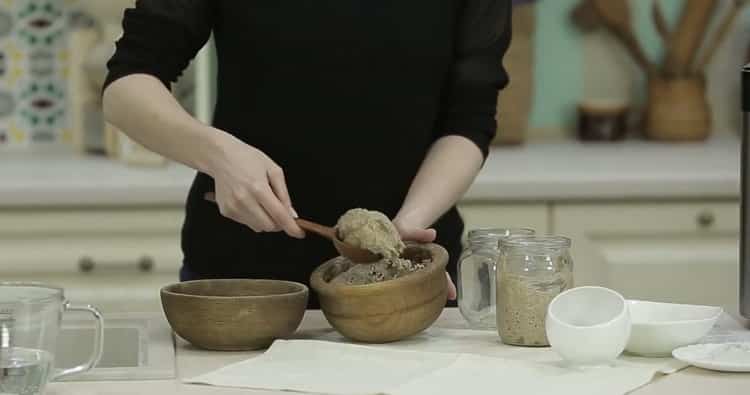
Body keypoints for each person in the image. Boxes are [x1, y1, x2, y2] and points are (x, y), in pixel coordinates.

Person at [102, 0, 512, 308]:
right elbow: (127, 87)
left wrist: (403, 231)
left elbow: (468, 122)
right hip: (246, 286)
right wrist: (218, 154)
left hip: (403, 281)